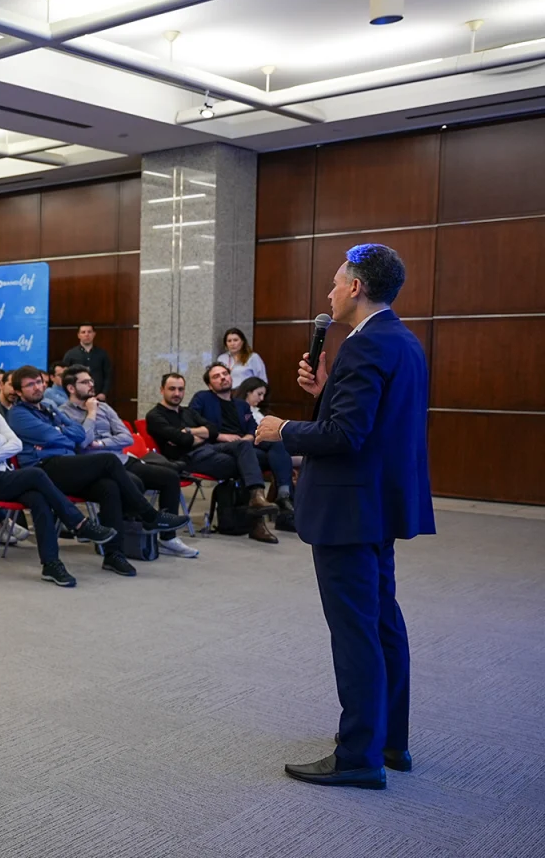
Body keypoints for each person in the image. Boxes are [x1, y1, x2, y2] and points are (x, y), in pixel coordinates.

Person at [255, 243, 433, 789]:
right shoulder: (400, 340)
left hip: (349, 511)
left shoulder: (363, 346)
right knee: (382, 623)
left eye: (335, 283)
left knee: (355, 631)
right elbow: (372, 424)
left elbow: (345, 436)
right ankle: (389, 741)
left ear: (356, 287)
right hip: (378, 504)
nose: (328, 294)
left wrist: (281, 429)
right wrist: (326, 388)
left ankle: (358, 755)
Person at [5, 366, 188, 577]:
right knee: (108, 461)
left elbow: (77, 434)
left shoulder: (48, 406)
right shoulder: (18, 414)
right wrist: (62, 433)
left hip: (68, 463)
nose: (37, 387)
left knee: (109, 487)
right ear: (19, 391)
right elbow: (56, 437)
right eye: (30, 385)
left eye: (38, 382)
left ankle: (114, 555)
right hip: (44, 468)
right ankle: (149, 514)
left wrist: (62, 432)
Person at [0, 365, 115, 588]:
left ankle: (51, 564)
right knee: (35, 474)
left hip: (2, 475)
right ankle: (79, 523)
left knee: (39, 498)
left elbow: (14, 443)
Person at [61, 366, 198, 558]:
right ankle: (129, 535)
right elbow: (82, 442)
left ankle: (168, 538)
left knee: (169, 476)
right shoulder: (64, 413)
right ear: (71, 388)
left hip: (122, 459)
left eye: (91, 381)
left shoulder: (105, 408)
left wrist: (101, 442)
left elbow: (127, 438)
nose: (91, 385)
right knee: (134, 482)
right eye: (85, 382)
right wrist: (91, 413)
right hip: (97, 466)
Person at [146, 373, 280, 544]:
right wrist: (199, 434)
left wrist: (189, 432)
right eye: (172, 389)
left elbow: (213, 429)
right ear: (162, 390)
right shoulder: (155, 415)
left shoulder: (187, 412)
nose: (177, 393)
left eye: (180, 389)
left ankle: (256, 496)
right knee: (246, 464)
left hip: (209, 449)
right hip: (187, 460)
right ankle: (256, 520)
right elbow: (183, 440)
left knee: (243, 445)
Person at [190, 364, 295, 514]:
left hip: (244, 445)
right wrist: (220, 436)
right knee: (271, 458)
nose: (222, 378)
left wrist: (248, 437)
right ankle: (259, 501)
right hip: (218, 446)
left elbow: (251, 426)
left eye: (225, 373)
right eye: (216, 376)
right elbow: (193, 421)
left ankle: (284, 495)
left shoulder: (242, 406)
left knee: (277, 442)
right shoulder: (203, 398)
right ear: (209, 385)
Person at [63, 324, 112, 401]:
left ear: (94, 334)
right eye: (83, 332)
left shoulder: (102, 354)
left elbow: (108, 376)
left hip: (98, 397)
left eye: (89, 332)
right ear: (78, 335)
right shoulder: (70, 354)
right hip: (78, 397)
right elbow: (65, 376)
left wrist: (104, 393)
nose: (86, 334)